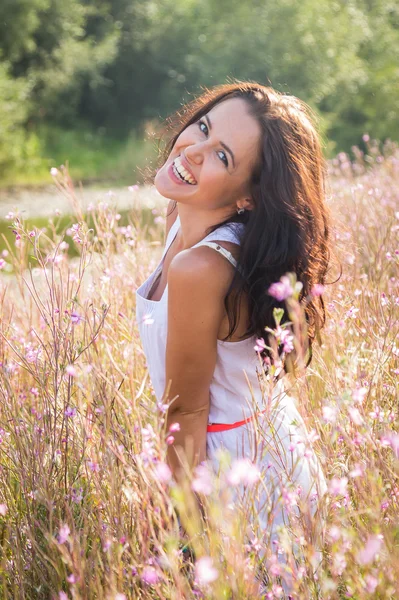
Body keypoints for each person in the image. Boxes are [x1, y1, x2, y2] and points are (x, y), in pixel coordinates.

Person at [135, 82, 332, 592]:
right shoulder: (187, 219)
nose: (192, 151)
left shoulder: (202, 266)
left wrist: (175, 530)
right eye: (203, 127)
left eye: (221, 154)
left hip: (241, 477)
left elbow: (187, 412)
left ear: (247, 195)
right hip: (260, 449)